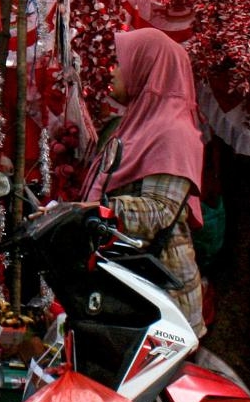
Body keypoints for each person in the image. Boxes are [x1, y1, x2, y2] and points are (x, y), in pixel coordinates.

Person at [81, 27, 207, 337]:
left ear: (148, 68)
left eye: (123, 63)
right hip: (129, 287)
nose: (114, 71)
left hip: (161, 300)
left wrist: (95, 210)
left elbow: (160, 209)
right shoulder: (139, 123)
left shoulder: (173, 131)